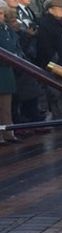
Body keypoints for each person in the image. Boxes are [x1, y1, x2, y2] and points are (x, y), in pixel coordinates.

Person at [35, 0, 62, 119]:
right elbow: (45, 46)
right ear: (50, 9)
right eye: (60, 7)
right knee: (58, 94)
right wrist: (54, 60)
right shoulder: (45, 24)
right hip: (54, 65)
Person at [0, 8, 19, 143]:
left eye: (1, 13)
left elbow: (15, 45)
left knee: (6, 107)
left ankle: (8, 134)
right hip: (3, 68)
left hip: (6, 72)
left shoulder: (6, 28)